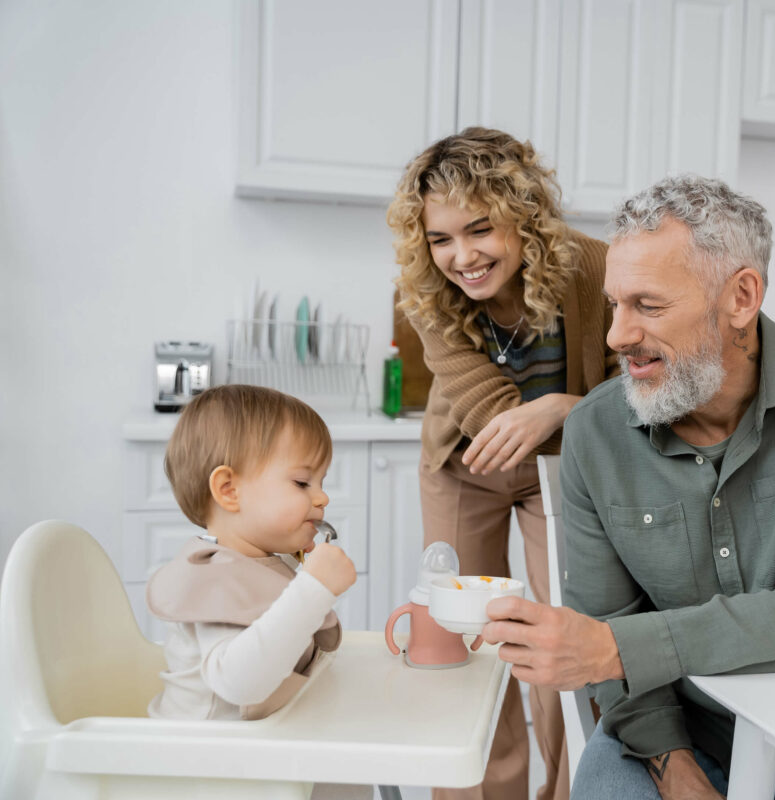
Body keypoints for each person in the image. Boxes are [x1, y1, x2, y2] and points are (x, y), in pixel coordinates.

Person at [477, 175, 775, 800]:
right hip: (673, 729)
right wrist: (676, 771)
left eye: (647, 306)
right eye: (614, 305)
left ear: (741, 297)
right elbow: (607, 636)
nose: (616, 336)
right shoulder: (596, 430)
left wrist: (617, 648)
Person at [386, 126, 615, 800]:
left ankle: (573, 790)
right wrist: (558, 411)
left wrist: (563, 407)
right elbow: (487, 412)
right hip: (466, 464)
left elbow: (637, 385)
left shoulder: (594, 267)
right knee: (461, 640)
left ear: (525, 214)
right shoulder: (425, 288)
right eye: (441, 239)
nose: (462, 256)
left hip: (563, 465)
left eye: (480, 229)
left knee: (560, 634)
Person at [147, 384, 357, 721]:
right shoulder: (213, 578)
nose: (322, 498)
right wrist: (315, 587)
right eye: (303, 483)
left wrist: (294, 564)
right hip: (206, 761)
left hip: (253, 748)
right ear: (229, 491)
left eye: (322, 482)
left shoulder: (252, 562)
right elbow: (241, 684)